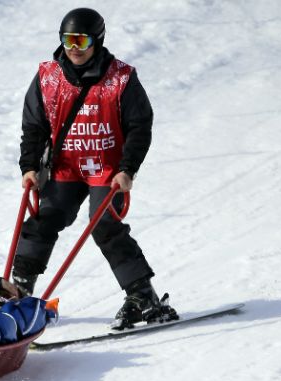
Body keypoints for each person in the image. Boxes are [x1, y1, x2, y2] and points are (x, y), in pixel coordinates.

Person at [10, 7, 177, 329]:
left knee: (104, 225)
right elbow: (34, 126)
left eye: (82, 41)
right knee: (43, 219)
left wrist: (128, 169)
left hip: (108, 169)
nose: (74, 48)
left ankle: (143, 296)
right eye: (68, 40)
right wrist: (29, 166)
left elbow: (140, 126)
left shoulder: (121, 78)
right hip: (65, 167)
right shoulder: (48, 77)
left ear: (97, 41)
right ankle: (19, 291)